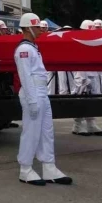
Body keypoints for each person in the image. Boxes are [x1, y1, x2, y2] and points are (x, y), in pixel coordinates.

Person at [14, 13, 71, 186]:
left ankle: (49, 167)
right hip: (33, 93)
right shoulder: (24, 49)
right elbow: (25, 77)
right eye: (37, 27)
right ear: (28, 28)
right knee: (31, 132)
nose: (40, 30)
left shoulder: (32, 47)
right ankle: (25, 169)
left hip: (41, 92)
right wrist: (32, 101)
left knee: (46, 131)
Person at [71, 20, 102, 136]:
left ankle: (91, 124)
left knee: (93, 99)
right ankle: (77, 125)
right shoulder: (77, 42)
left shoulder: (95, 43)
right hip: (82, 73)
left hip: (93, 73)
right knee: (81, 99)